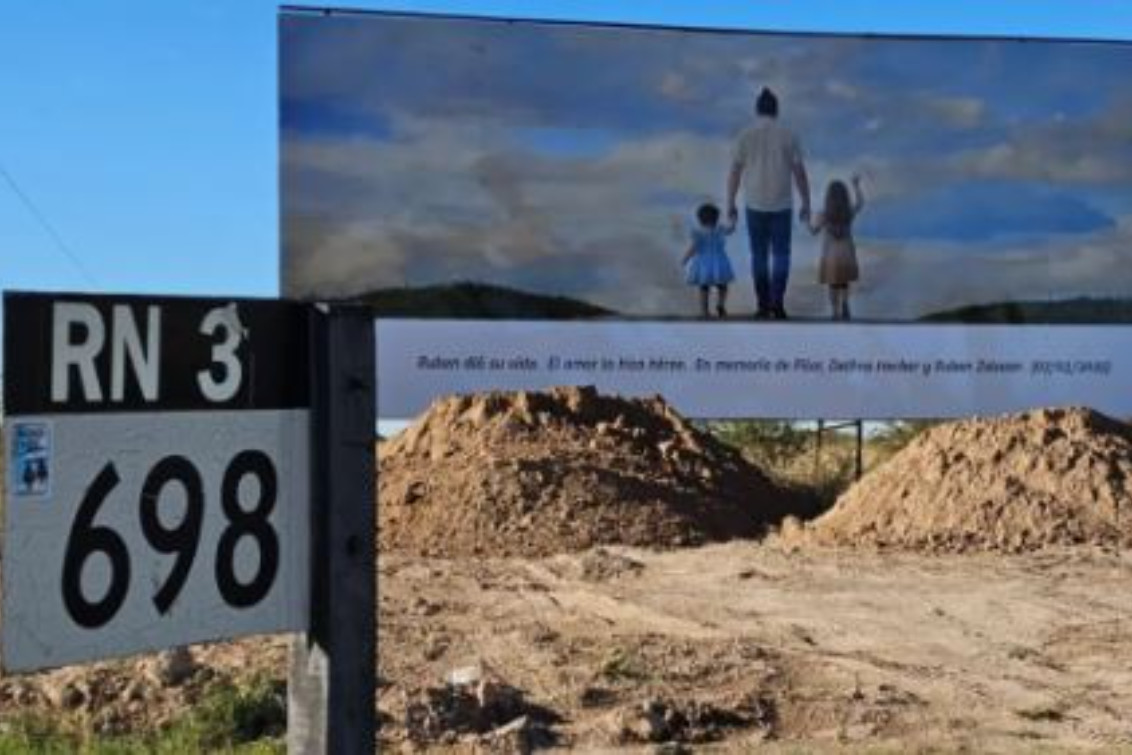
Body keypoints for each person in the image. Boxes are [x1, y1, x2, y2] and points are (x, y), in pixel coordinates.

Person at [726, 87, 811, 319]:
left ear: (757, 109)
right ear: (776, 110)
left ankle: (763, 305)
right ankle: (778, 304)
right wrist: (806, 202)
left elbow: (735, 173)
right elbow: (799, 173)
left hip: (754, 203)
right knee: (782, 255)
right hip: (782, 204)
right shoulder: (789, 135)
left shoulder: (745, 136)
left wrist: (730, 202)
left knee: (759, 256)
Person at [808, 175, 864, 320]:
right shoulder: (848, 213)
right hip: (847, 253)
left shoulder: (824, 215)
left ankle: (835, 311)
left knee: (833, 284)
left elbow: (813, 231)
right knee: (844, 283)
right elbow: (860, 204)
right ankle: (845, 304)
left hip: (830, 255)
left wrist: (806, 220)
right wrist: (856, 186)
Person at [681, 202, 736, 318]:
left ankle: (704, 310)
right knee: (722, 286)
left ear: (700, 219)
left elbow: (694, 248)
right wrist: (734, 219)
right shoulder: (719, 229)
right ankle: (720, 305)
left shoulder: (698, 233)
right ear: (716, 218)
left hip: (703, 264)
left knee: (704, 287)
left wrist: (685, 259)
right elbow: (730, 230)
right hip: (719, 262)